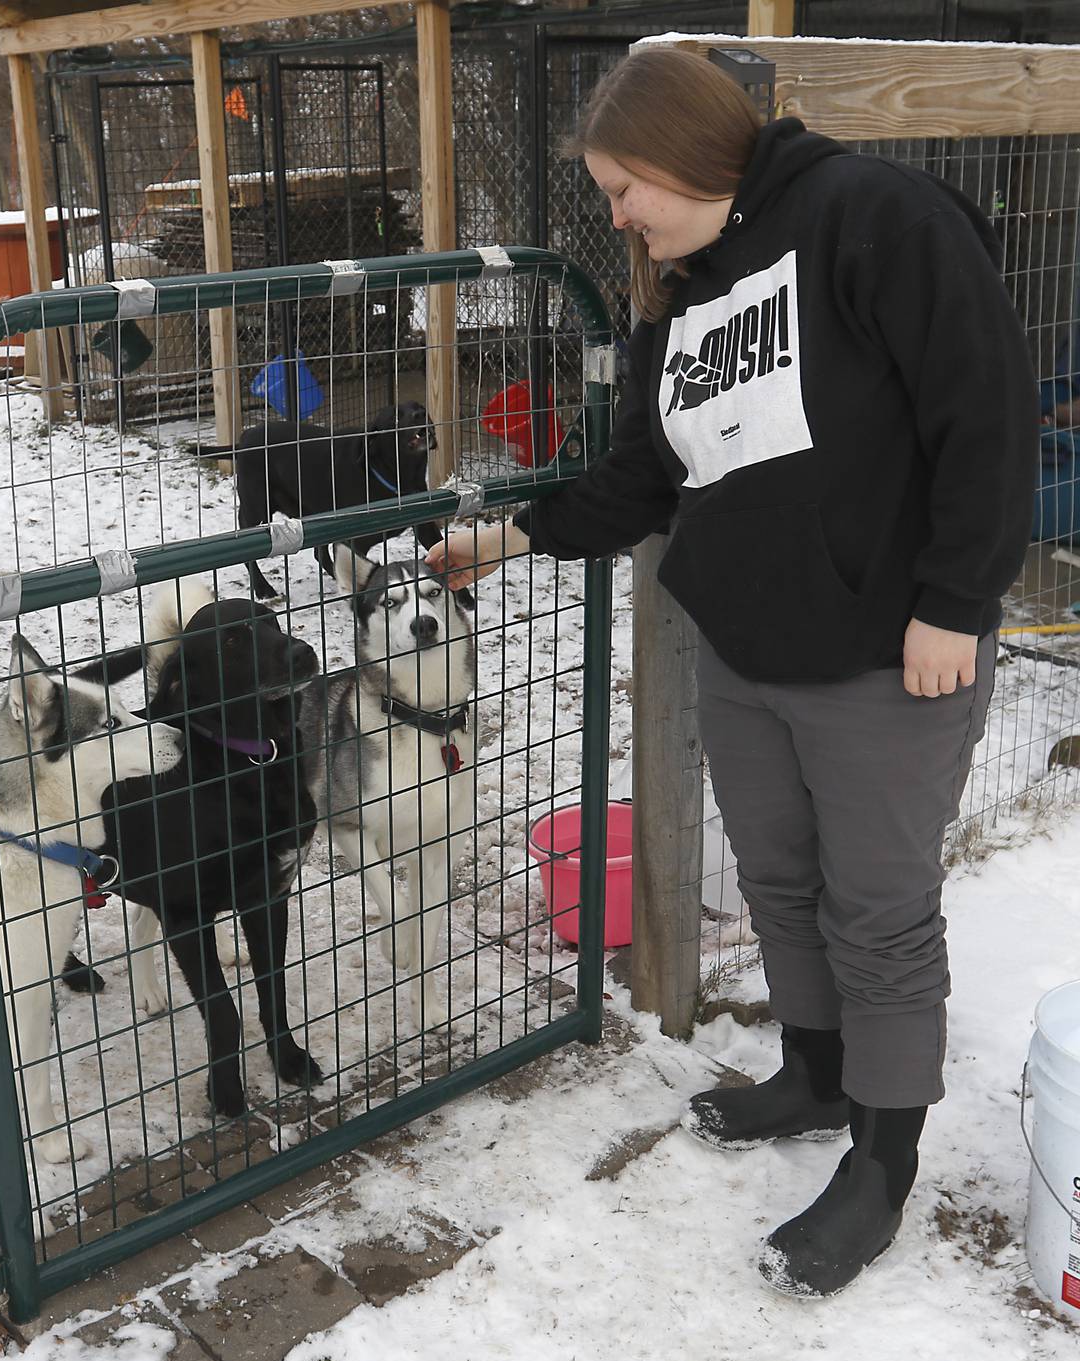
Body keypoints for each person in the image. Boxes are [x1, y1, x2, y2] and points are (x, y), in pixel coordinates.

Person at [428, 47, 1037, 1297]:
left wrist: (955, 605)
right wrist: (508, 536)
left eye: (620, 187)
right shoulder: (684, 295)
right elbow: (645, 479)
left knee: (880, 911)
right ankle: (815, 1075)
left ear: (683, 153)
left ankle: (883, 1159)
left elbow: (986, 414)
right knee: (777, 880)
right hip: (747, 655)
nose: (616, 217)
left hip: (887, 656)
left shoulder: (875, 219)